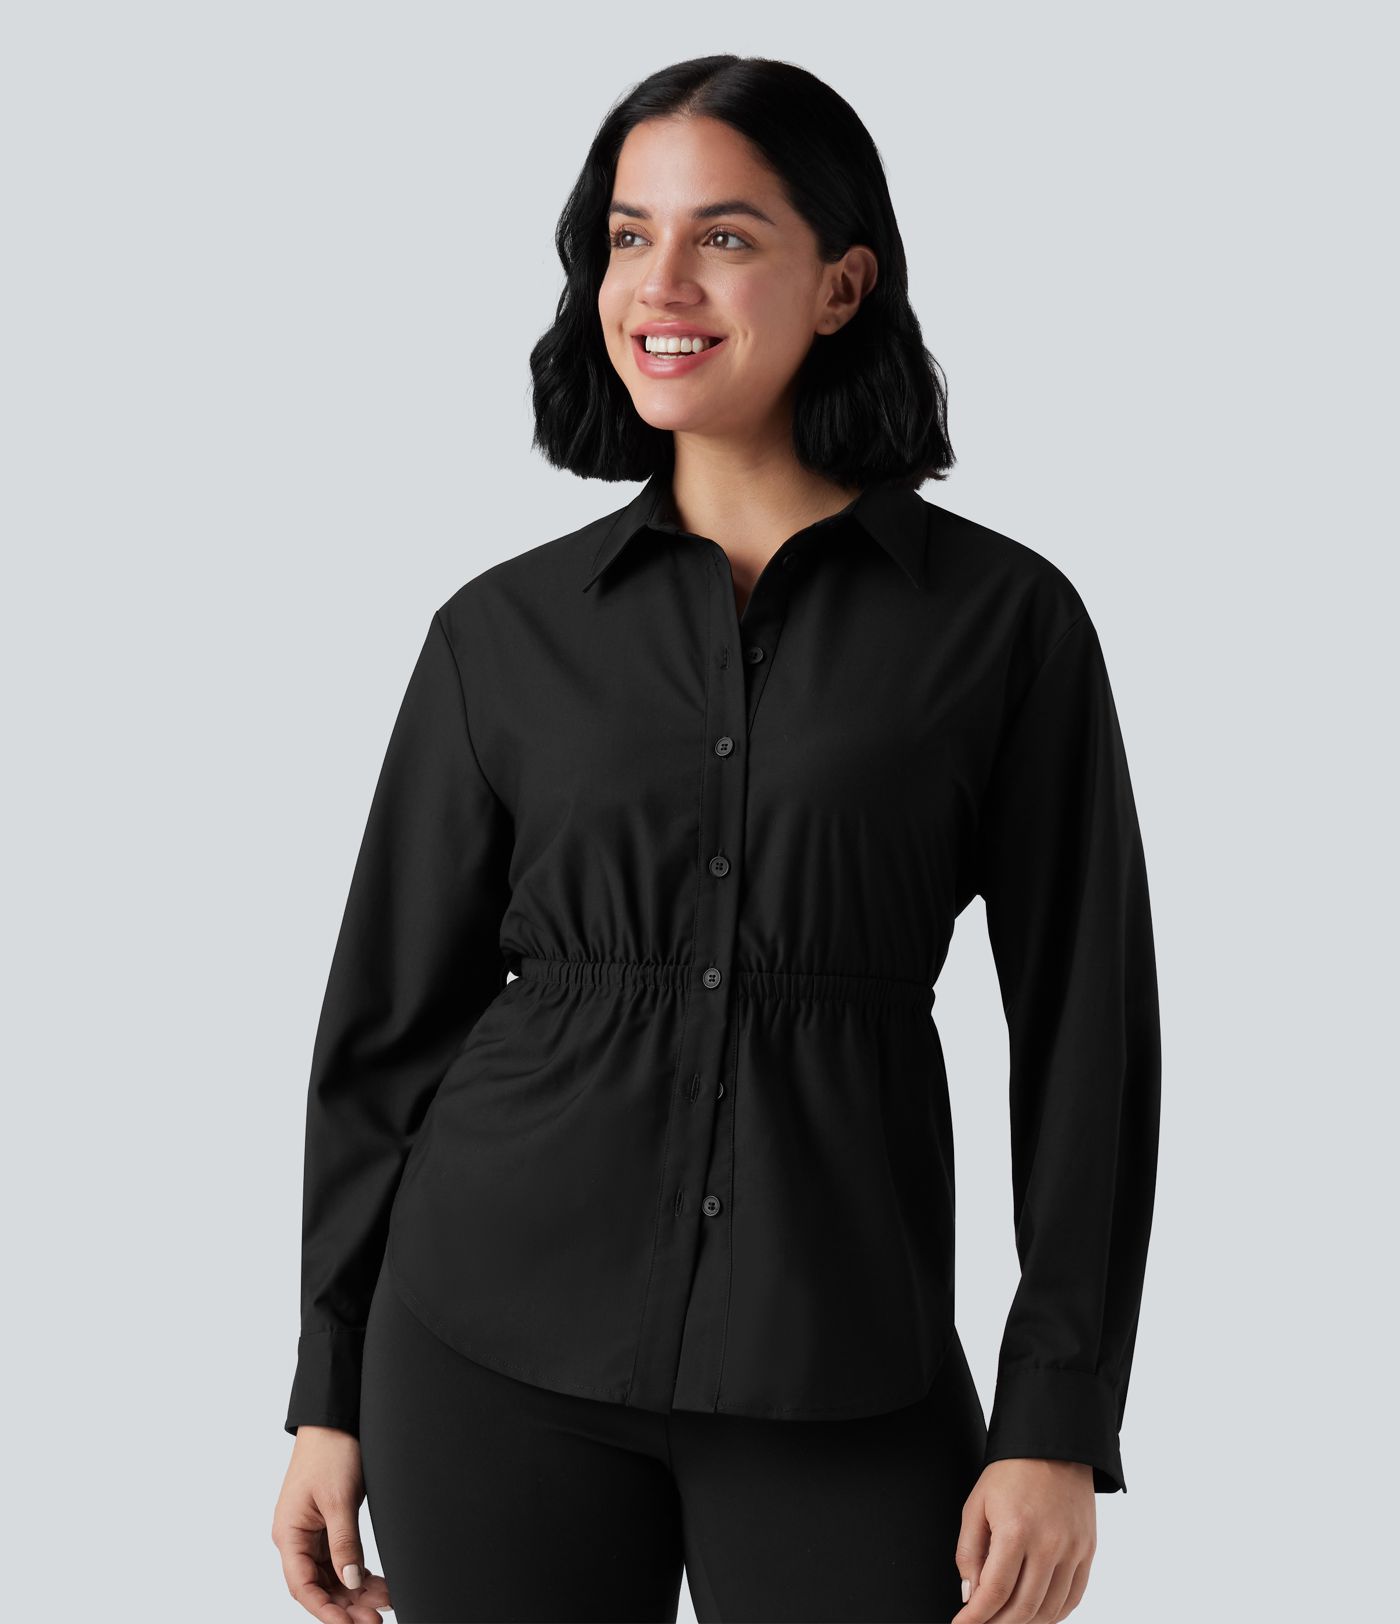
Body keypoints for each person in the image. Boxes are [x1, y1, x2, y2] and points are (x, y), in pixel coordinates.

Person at [271, 53, 1160, 1624]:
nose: (659, 286)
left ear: (843, 284)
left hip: (846, 1360)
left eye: (725, 237)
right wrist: (327, 1390)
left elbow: (1088, 1036)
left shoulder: (1004, 626)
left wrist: (1056, 1418)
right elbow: (385, 1034)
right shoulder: (502, 633)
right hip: (484, 1351)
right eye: (629, 236)